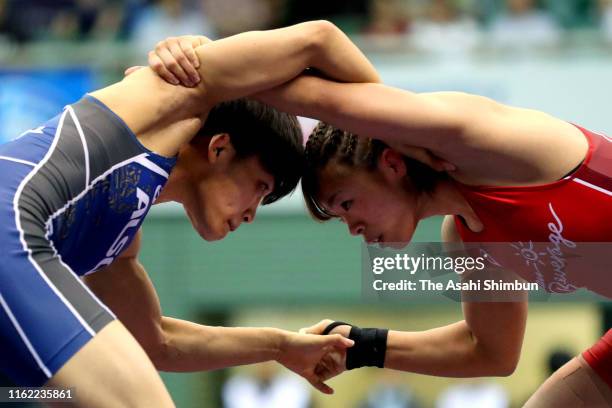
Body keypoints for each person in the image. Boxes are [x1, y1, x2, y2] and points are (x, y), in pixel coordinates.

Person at [154, 33, 612, 407]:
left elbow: (319, 52)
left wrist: (197, 74)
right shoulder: (470, 237)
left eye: (346, 203)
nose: (352, 230)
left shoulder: (480, 142)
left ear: (392, 163)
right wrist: (358, 345)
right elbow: (490, 351)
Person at [0, 21, 381, 407]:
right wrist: (396, 138)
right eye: (259, 188)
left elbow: (157, 343)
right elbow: (319, 39)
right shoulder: (170, 102)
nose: (251, 215)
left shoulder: (115, 235)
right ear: (219, 149)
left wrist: (281, 346)